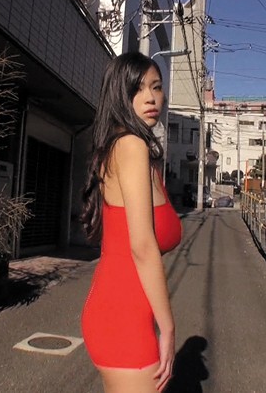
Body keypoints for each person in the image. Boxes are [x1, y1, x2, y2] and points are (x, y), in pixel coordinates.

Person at [81, 52, 183, 392]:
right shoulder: (130, 145)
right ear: (119, 95)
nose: (151, 97)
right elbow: (141, 246)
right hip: (121, 317)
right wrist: (168, 328)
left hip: (127, 312)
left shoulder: (137, 153)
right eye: (137, 89)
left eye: (156, 87)